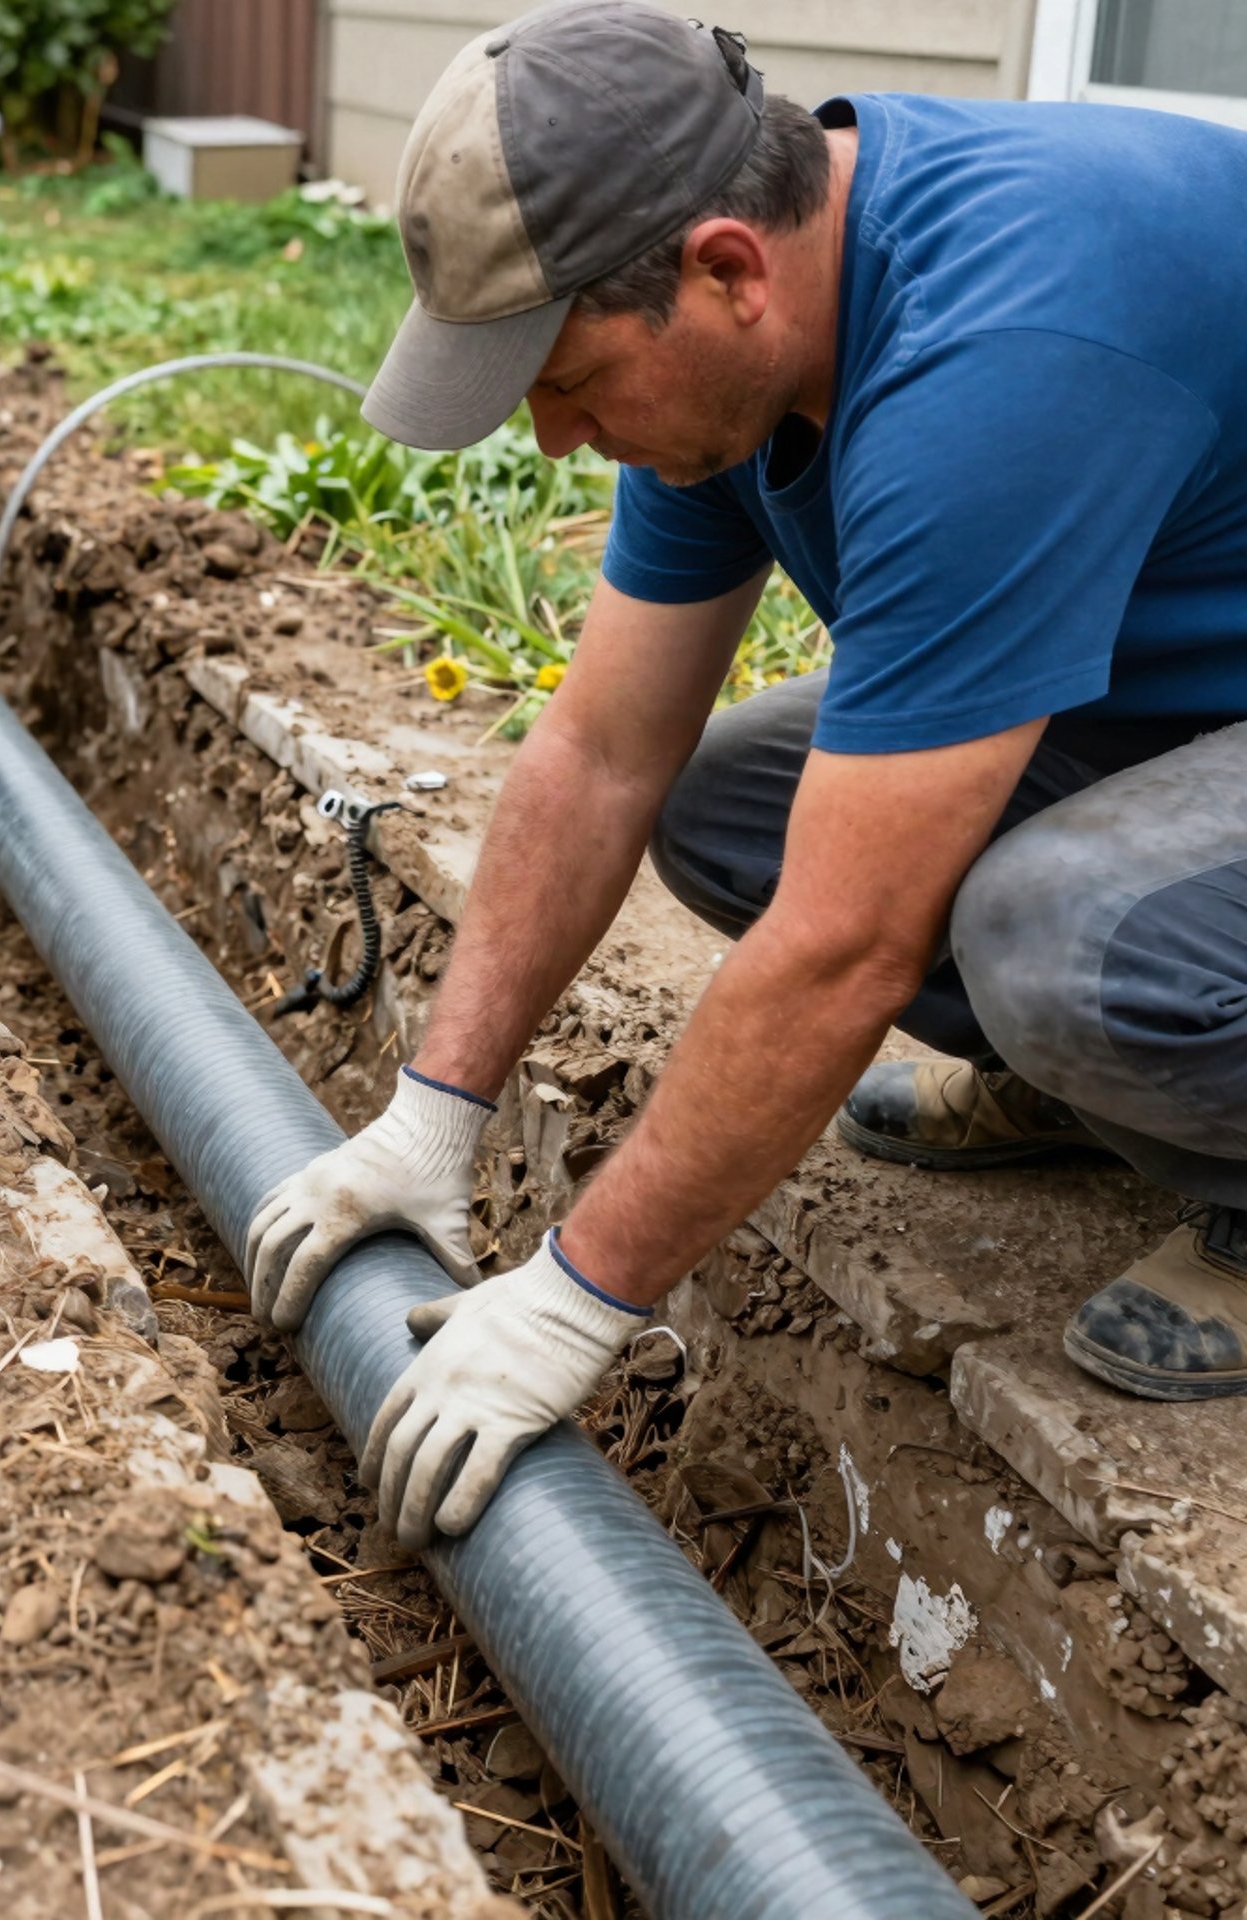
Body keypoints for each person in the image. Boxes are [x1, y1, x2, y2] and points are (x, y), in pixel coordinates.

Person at [246, 0, 1247, 1552]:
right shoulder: (748, 362)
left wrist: (578, 1300)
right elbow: (597, 755)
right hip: (1191, 692)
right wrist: (433, 1115)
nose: (557, 437)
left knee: (1055, 937)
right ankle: (1097, 1087)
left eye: (566, 382)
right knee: (729, 811)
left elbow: (848, 945)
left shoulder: (996, 358)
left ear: (724, 268)